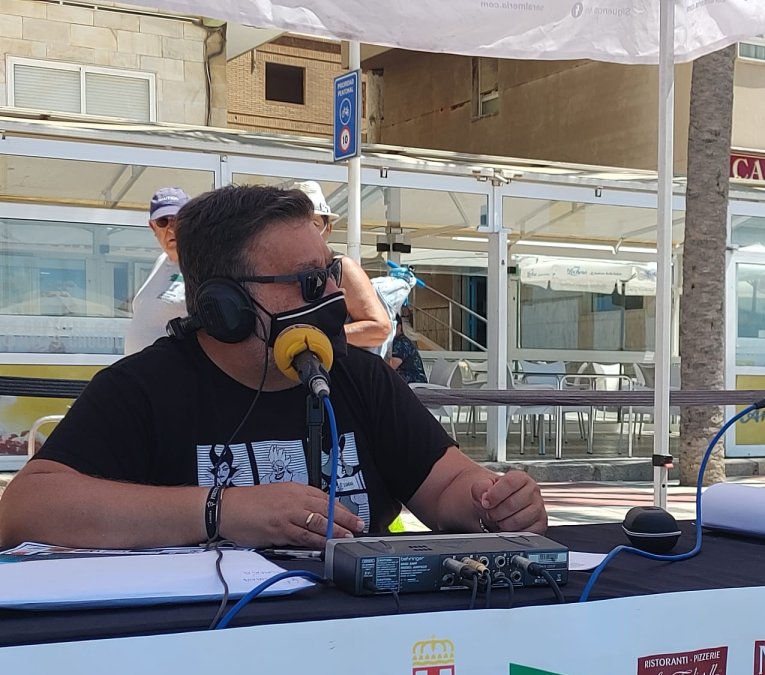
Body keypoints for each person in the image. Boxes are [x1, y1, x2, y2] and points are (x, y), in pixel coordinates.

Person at [0, 185, 546, 550]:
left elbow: (446, 483)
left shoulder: (359, 375)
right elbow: (26, 506)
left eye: (331, 275)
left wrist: (491, 501)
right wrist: (223, 511)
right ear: (223, 307)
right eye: (310, 282)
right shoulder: (141, 388)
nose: (334, 295)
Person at [292, 181, 392, 352]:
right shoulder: (277, 268)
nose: (305, 233)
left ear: (328, 229)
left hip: (335, 374)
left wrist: (321, 339)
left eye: (314, 225)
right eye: (297, 224)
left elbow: (380, 329)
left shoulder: (342, 268)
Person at [124, 187, 190, 354]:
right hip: (141, 375)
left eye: (177, 220)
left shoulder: (203, 264)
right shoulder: (161, 260)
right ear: (153, 227)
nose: (171, 229)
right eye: (163, 221)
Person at [390, 306, 428, 384]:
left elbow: (391, 366)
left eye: (392, 327)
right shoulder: (398, 341)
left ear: (399, 327)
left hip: (413, 382)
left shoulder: (401, 343)